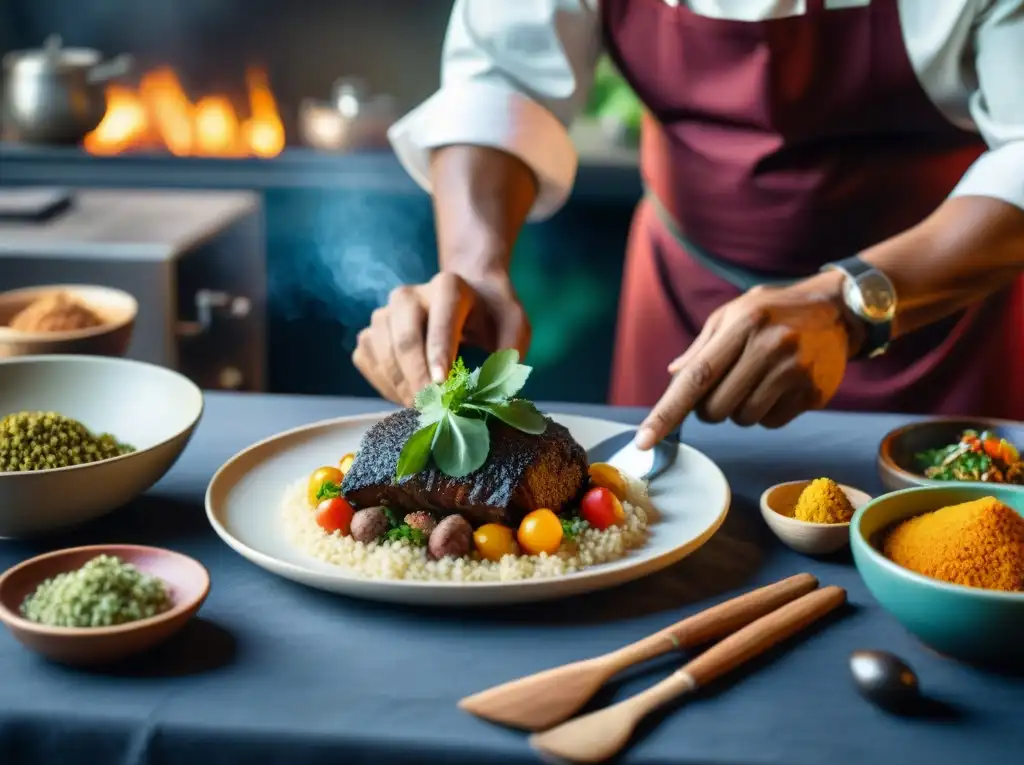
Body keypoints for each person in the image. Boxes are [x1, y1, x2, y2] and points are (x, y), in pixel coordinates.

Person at [352, 0, 1024, 449]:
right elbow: (499, 75)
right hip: (683, 297)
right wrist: (473, 267)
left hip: (939, 311)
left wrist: (848, 303)